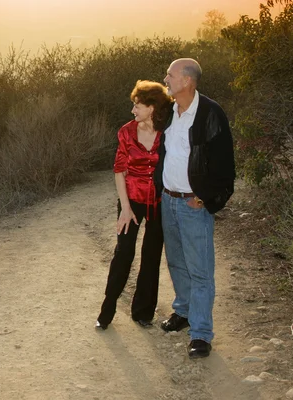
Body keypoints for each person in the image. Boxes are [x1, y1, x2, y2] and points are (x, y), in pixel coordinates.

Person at [154, 58, 235, 358]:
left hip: (192, 203)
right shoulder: (170, 112)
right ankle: (184, 312)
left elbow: (225, 164)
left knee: (200, 270)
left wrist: (207, 196)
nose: (166, 79)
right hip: (169, 200)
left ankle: (200, 333)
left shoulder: (211, 113)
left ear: (187, 81)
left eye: (171, 75)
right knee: (176, 262)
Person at [95, 80, 172, 331]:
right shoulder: (126, 132)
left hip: (160, 201)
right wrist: (125, 208)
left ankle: (143, 312)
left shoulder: (167, 131)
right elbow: (119, 171)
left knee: (151, 256)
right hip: (132, 200)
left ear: (152, 107)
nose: (133, 110)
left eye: (137, 105)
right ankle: (107, 308)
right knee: (124, 252)